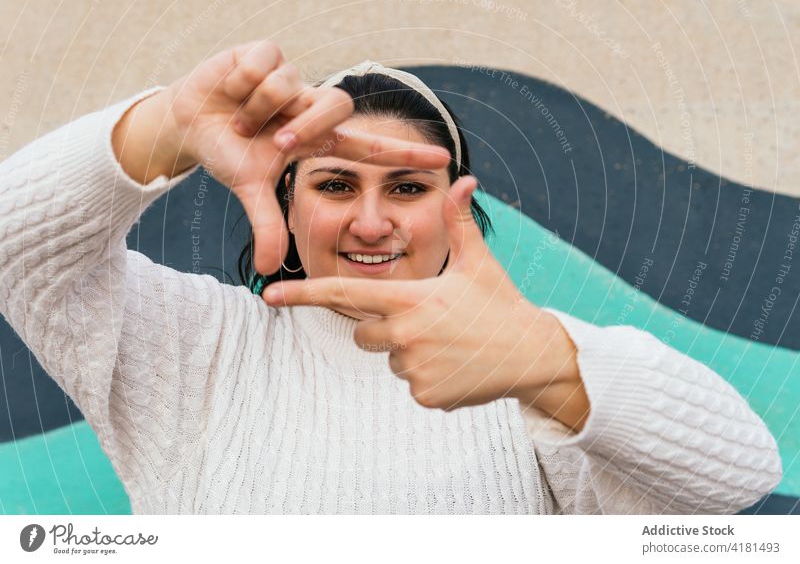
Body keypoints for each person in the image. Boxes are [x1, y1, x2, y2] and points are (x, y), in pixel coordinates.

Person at [0, 39, 782, 514]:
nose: (370, 223)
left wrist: (549, 363)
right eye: (335, 185)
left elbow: (740, 473)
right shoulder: (189, 343)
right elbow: (15, 243)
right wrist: (168, 124)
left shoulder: (523, 366)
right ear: (287, 208)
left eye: (406, 189)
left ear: (456, 211)